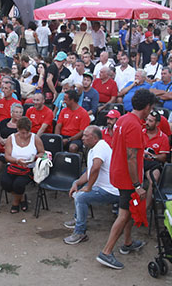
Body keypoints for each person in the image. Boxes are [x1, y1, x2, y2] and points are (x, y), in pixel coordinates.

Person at [96, 88, 154, 270]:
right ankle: (106, 252)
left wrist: (140, 152)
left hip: (119, 172)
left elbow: (126, 149)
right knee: (124, 214)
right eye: (150, 108)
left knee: (128, 210)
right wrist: (137, 185)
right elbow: (130, 156)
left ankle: (128, 242)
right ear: (146, 107)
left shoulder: (123, 119)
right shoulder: (135, 125)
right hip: (128, 177)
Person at [63, 126, 119, 245]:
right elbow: (89, 171)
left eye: (85, 136)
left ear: (94, 138)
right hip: (102, 187)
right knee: (79, 191)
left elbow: (96, 167)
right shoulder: (95, 148)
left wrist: (88, 187)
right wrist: (77, 182)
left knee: (81, 197)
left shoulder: (100, 147)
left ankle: (80, 232)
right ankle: (78, 219)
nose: (82, 138)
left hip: (111, 190)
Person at [0, 116, 44, 213]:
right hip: (13, 166)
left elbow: (42, 153)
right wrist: (17, 161)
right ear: (18, 130)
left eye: (27, 132)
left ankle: (15, 202)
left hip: (28, 168)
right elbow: (7, 156)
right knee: (5, 182)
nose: (25, 135)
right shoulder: (11, 138)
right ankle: (22, 198)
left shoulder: (35, 138)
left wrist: (34, 158)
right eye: (23, 133)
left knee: (18, 184)